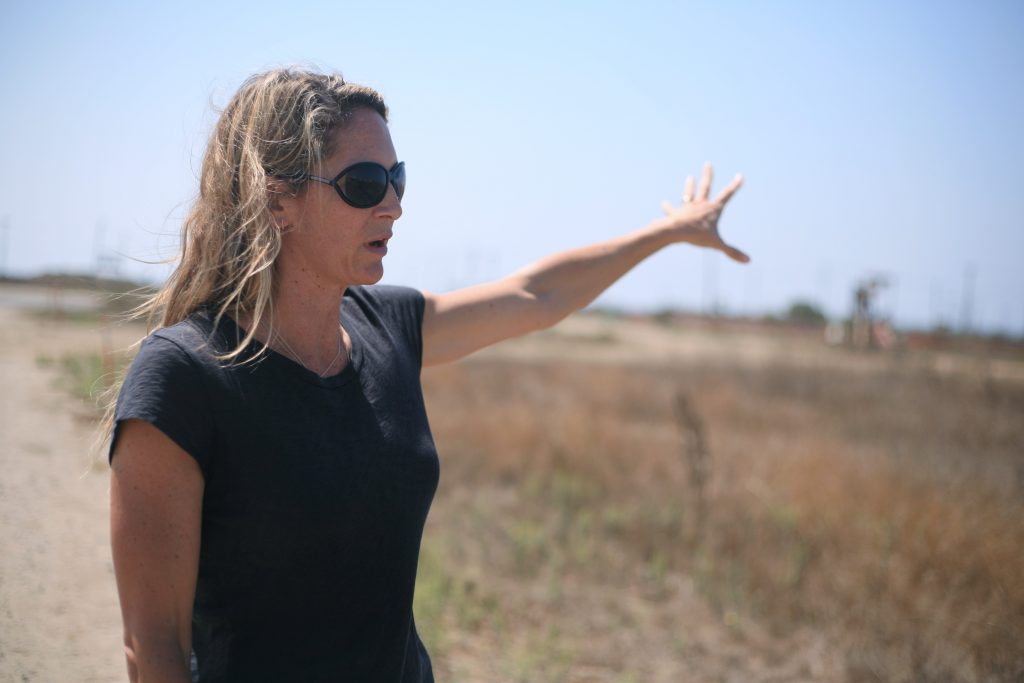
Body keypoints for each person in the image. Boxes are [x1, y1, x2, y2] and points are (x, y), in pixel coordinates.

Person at [107, 67, 748, 683]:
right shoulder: (184, 376)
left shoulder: (389, 328)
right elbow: (154, 645)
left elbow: (539, 295)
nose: (392, 205)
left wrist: (668, 232)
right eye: (363, 183)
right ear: (278, 201)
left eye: (397, 178)